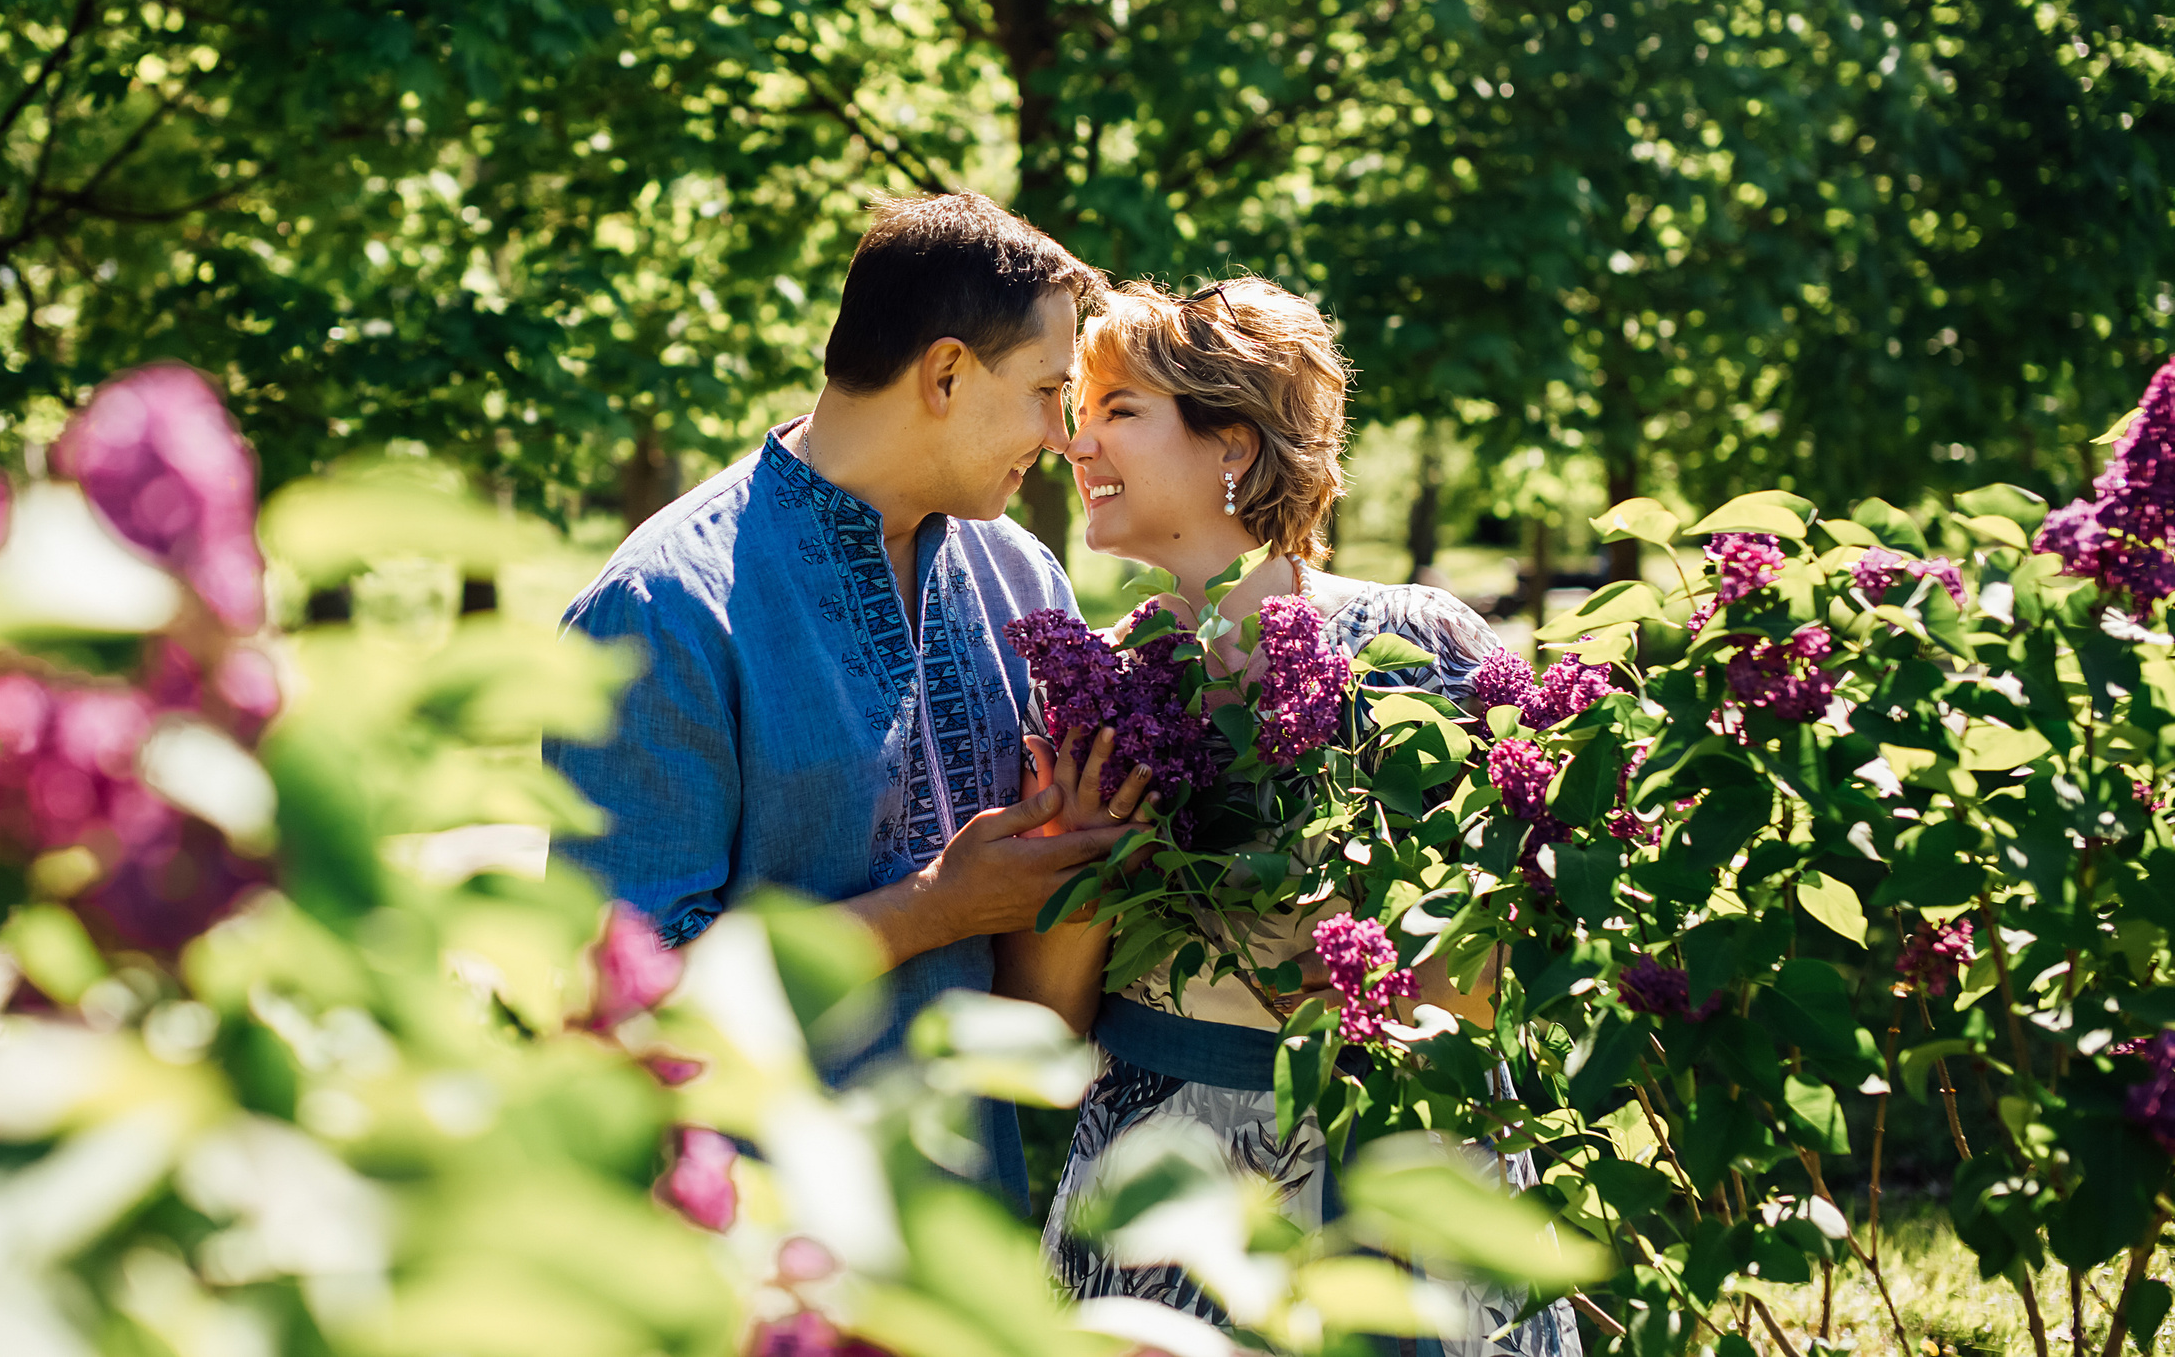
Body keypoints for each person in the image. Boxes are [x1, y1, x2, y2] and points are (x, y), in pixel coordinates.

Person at [1000, 277, 1582, 1357]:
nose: (1076, 447)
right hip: (1163, 1184)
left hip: (1402, 1161)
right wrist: (1088, 856)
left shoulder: (1421, 647)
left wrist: (1376, 958)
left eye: (1118, 411)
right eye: (1077, 414)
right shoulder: (1102, 688)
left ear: (1235, 444)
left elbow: (1504, 964)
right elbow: (1046, 1023)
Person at [545, 192, 1134, 1209]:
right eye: (1046, 391)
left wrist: (1082, 860)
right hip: (749, 1245)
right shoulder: (663, 610)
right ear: (945, 373)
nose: (1062, 433)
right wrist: (937, 907)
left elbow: (1044, 1014)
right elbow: (630, 999)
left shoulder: (1024, 583)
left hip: (966, 1225)